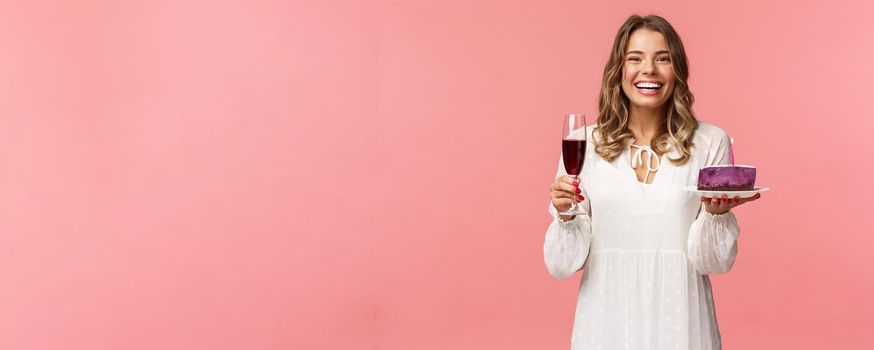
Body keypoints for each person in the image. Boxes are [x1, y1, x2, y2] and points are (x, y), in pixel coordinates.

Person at [544, 14, 762, 349]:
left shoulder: (709, 142)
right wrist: (565, 214)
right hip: (606, 321)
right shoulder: (582, 143)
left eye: (663, 58)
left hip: (682, 319)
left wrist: (717, 214)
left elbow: (714, 262)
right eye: (635, 58)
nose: (649, 69)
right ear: (619, 70)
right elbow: (561, 265)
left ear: (677, 71)